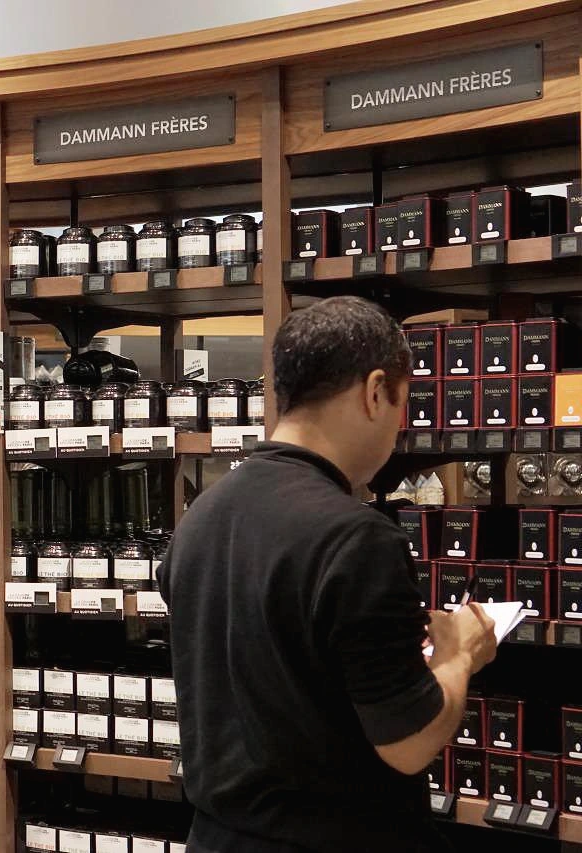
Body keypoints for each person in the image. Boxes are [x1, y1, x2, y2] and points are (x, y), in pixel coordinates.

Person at [156, 296, 497, 853]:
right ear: (375, 392)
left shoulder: (201, 517)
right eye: (402, 402)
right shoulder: (357, 539)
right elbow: (408, 744)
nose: (398, 429)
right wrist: (460, 656)